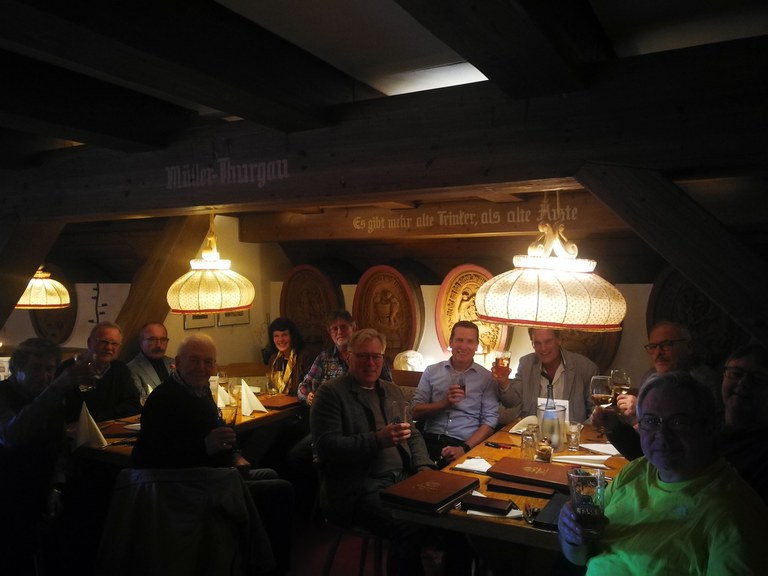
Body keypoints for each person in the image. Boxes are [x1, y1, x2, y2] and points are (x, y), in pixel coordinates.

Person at [558, 371, 767, 575]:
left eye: (678, 422)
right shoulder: (635, 470)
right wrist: (572, 536)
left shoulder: (735, 514)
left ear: (708, 427)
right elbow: (581, 556)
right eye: (651, 421)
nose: (662, 435)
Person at [313, 328, 470, 576]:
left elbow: (413, 434)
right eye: (363, 356)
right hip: (358, 489)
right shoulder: (331, 393)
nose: (371, 363)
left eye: (376, 357)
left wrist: (425, 468)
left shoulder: (391, 391)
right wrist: (377, 440)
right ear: (348, 357)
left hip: (403, 480)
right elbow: (327, 447)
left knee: (457, 516)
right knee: (409, 526)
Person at [132, 333, 294, 575]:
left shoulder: (200, 390)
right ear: (178, 362)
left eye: (208, 362)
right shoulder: (163, 399)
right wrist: (204, 446)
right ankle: (270, 566)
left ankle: (249, 555)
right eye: (194, 361)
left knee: (270, 472)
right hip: (187, 488)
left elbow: (215, 432)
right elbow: (146, 458)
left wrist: (234, 454)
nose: (201, 368)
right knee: (280, 489)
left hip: (215, 474)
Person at [0, 339, 88, 575]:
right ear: (16, 369)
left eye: (50, 369)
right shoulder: (3, 394)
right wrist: (55, 389)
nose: (44, 376)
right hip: (8, 493)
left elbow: (58, 447)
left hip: (41, 490)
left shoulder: (52, 398)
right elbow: (11, 435)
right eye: (35, 368)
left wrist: (57, 487)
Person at [412, 321, 499, 466]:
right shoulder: (431, 371)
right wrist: (444, 404)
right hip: (429, 440)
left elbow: (489, 422)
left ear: (477, 346)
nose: (463, 347)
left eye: (470, 341)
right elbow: (414, 411)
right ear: (451, 342)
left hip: (464, 444)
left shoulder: (486, 378)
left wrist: (464, 449)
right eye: (459, 340)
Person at [497, 328, 598, 424]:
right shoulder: (526, 363)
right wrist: (504, 382)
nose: (543, 348)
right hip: (534, 431)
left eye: (548, 341)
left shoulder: (585, 367)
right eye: (537, 343)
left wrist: (579, 431)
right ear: (532, 344)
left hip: (571, 432)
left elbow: (596, 410)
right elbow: (512, 402)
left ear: (559, 340)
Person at [60, 322, 141, 422]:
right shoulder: (70, 369)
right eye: (103, 342)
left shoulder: (120, 369)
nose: (108, 347)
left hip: (108, 428)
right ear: (89, 343)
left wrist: (101, 417)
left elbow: (135, 404)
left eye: (114, 344)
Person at [264, 317, 312, 396]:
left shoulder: (304, 356)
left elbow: (310, 388)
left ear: (292, 336)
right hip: (278, 401)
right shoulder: (273, 359)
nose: (280, 340)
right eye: (276, 336)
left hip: (299, 402)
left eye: (284, 335)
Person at [126, 321, 173, 400]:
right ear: (141, 342)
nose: (159, 345)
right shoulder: (131, 370)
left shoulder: (174, 363)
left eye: (163, 339)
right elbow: (142, 399)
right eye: (152, 340)